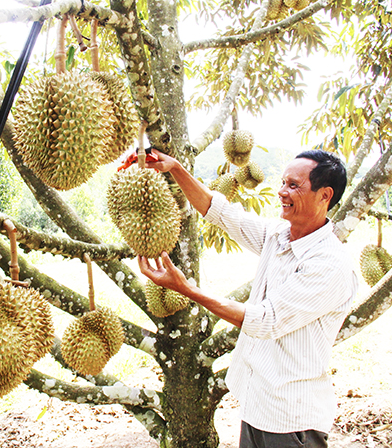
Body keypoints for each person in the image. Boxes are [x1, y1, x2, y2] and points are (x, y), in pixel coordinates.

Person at [138, 149, 358, 448]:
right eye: (283, 182)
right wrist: (175, 169)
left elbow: (265, 320)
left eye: (294, 185)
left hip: (293, 420)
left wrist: (187, 289)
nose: (282, 191)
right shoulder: (280, 236)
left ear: (325, 195)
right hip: (259, 405)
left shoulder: (330, 264)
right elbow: (222, 212)